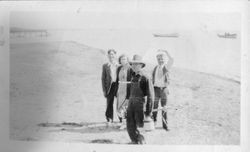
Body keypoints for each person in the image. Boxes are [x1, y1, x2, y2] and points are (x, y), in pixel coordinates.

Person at [126, 54, 154, 144]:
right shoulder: (132, 76)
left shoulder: (145, 77)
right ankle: (134, 141)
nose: (134, 66)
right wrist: (127, 103)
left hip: (140, 105)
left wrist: (149, 112)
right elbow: (129, 91)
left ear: (141, 65)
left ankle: (141, 143)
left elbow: (151, 96)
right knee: (130, 125)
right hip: (131, 104)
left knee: (140, 126)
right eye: (133, 64)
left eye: (136, 64)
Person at [152, 49, 174, 131]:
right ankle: (153, 123)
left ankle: (165, 126)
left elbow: (171, 60)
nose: (160, 60)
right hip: (155, 90)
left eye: (162, 59)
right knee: (154, 107)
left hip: (163, 90)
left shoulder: (166, 67)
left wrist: (166, 51)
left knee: (164, 108)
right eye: (158, 59)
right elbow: (152, 79)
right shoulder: (155, 68)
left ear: (164, 60)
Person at [116, 54, 133, 129]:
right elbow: (117, 80)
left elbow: (132, 81)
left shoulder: (130, 68)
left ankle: (127, 123)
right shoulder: (119, 68)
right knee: (120, 105)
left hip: (127, 88)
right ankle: (123, 122)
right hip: (120, 88)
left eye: (125, 59)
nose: (123, 60)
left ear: (127, 60)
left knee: (126, 106)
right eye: (122, 59)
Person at [101, 49, 119, 125]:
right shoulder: (105, 66)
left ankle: (121, 119)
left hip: (118, 85)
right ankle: (109, 119)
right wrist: (104, 90)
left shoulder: (119, 65)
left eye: (113, 54)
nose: (111, 56)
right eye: (110, 54)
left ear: (115, 55)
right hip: (110, 86)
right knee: (109, 103)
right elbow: (103, 78)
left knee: (120, 103)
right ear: (108, 56)